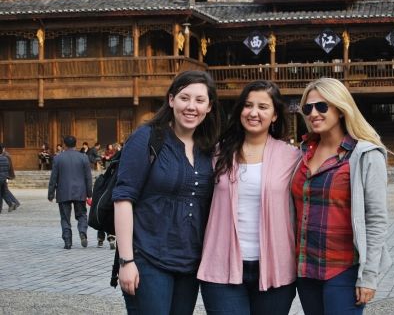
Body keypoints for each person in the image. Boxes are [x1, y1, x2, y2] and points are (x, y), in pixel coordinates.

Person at [112, 71, 221, 314]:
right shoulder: (147, 137)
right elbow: (123, 199)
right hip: (148, 258)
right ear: (171, 100)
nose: (191, 106)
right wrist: (126, 261)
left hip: (189, 262)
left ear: (209, 107)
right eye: (184, 98)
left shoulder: (208, 147)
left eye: (199, 100)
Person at [198, 81, 299, 315]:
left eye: (263, 107)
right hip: (222, 266)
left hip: (275, 267)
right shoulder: (218, 153)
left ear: (274, 116)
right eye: (247, 105)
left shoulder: (292, 157)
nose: (254, 113)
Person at [291, 78, 391, 315]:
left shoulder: (364, 154)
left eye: (322, 106)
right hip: (306, 269)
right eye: (308, 108)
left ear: (340, 107)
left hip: (344, 268)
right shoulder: (302, 153)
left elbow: (376, 219)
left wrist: (369, 276)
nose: (313, 113)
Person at [47, 135, 93, 249]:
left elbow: (54, 178)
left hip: (63, 191)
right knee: (82, 214)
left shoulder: (58, 158)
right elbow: (88, 177)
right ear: (76, 144)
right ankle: (82, 232)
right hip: (80, 191)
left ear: (64, 145)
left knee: (65, 217)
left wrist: (51, 193)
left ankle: (67, 241)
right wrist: (89, 194)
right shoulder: (83, 157)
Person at [0, 144, 21, 212]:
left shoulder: (6, 156)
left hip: (2, 177)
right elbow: (8, 167)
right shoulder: (6, 158)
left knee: (3, 192)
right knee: (4, 192)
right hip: (5, 177)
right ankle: (11, 204)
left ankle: (12, 203)